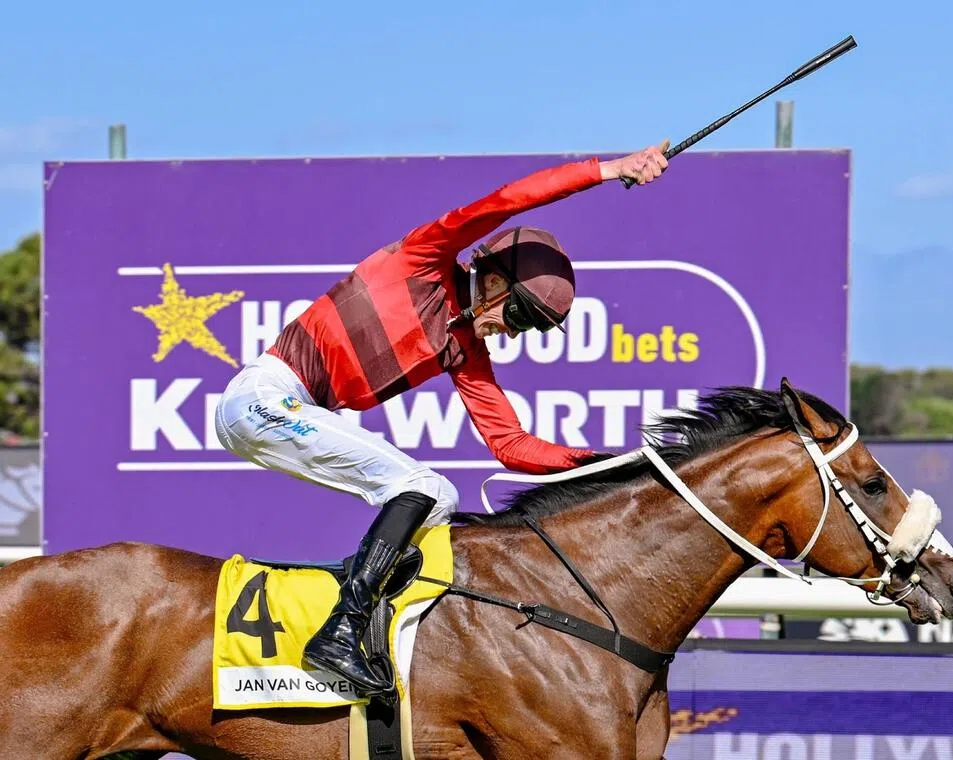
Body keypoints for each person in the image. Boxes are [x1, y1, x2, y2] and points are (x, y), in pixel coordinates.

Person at [213, 141, 670, 703]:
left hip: (288, 413)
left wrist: (611, 464)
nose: (512, 332)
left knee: (437, 503)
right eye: (519, 314)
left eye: (529, 328)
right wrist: (610, 169)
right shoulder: (422, 259)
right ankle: (341, 632)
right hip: (262, 398)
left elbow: (511, 444)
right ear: (493, 279)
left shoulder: (463, 348)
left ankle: (356, 623)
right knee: (424, 488)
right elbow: (510, 200)